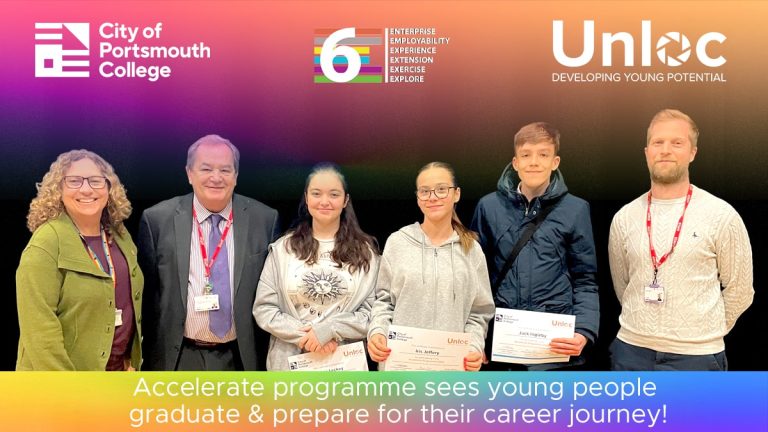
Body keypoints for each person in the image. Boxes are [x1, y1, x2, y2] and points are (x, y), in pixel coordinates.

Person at [608, 109, 753, 370]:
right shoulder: (624, 218)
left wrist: (704, 332)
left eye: (677, 143)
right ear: (646, 152)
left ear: (693, 153)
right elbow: (623, 285)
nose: (666, 150)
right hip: (631, 352)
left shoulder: (722, 215)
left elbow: (741, 290)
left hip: (696, 357)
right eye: (658, 142)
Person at [138, 135, 279, 370]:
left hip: (242, 359)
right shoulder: (157, 220)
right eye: (206, 169)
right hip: (178, 358)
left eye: (225, 169)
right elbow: (147, 297)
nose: (216, 177)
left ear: (236, 176)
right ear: (189, 173)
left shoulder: (264, 219)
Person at [470, 122, 599, 370]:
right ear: (515, 162)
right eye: (526, 155)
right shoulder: (489, 207)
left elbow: (585, 279)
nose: (534, 162)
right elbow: (476, 279)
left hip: (553, 344)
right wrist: (478, 339)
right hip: (503, 341)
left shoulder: (576, 209)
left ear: (555, 161)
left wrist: (583, 331)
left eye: (543, 154)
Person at [16, 150, 143, 371]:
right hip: (62, 386)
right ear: (58, 190)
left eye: (95, 181)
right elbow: (39, 331)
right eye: (74, 181)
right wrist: (71, 391)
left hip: (117, 375)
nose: (86, 189)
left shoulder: (120, 236)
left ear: (108, 188)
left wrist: (129, 360)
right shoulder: (47, 242)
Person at [367, 161, 494, 371]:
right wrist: (378, 332)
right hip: (400, 371)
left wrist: (474, 346)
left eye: (441, 190)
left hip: (451, 374)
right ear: (418, 198)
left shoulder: (471, 250)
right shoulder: (398, 242)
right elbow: (383, 302)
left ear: (456, 194)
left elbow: (479, 312)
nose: (433, 197)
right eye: (425, 191)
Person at [253, 164, 379, 370]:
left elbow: (373, 313)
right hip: (289, 367)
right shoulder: (282, 249)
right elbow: (264, 309)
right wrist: (310, 337)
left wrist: (330, 330)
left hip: (345, 367)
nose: (325, 201)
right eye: (316, 193)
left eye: (334, 194)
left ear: (345, 200)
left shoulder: (366, 253)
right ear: (307, 198)